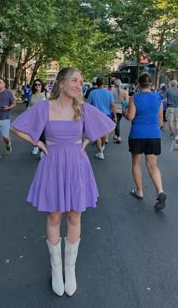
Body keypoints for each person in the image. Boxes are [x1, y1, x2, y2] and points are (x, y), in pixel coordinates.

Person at [11, 67, 115, 296]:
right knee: (54, 215)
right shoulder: (44, 107)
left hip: (77, 165)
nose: (79, 84)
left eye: (81, 81)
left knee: (74, 215)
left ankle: (71, 269)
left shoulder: (82, 108)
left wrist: (85, 143)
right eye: (75, 80)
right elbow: (16, 126)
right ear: (62, 82)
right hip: (53, 164)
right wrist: (38, 143)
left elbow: (108, 124)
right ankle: (56, 270)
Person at [123, 72, 167, 211]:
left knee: (136, 163)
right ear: (150, 84)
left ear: (138, 84)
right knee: (153, 166)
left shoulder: (134, 97)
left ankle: (139, 191)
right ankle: (160, 191)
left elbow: (130, 117)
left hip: (137, 134)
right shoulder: (158, 97)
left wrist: (124, 112)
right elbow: (160, 117)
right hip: (154, 134)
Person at [87, 77, 117, 159]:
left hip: (95, 115)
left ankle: (100, 152)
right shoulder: (108, 93)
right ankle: (101, 148)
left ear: (96, 83)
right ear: (104, 84)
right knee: (104, 133)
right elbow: (112, 105)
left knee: (97, 134)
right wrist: (115, 116)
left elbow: (88, 105)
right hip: (106, 115)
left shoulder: (93, 93)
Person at [29, 79, 48, 156]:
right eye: (36, 85)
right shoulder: (32, 95)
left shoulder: (46, 94)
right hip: (34, 118)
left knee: (42, 135)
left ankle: (42, 151)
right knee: (35, 134)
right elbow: (29, 106)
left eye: (39, 84)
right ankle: (35, 146)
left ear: (41, 86)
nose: (37, 86)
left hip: (43, 118)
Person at [112, 79, 129, 143]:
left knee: (116, 122)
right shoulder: (125, 92)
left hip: (113, 109)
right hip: (121, 109)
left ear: (114, 84)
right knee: (117, 122)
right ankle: (116, 135)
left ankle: (118, 136)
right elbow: (126, 102)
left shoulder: (112, 92)